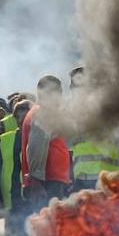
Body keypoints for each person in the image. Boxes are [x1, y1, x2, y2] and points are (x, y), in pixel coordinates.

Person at [20, 75, 71, 210]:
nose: (60, 96)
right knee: (48, 225)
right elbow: (35, 147)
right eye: (58, 91)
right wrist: (36, 181)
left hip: (49, 182)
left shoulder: (43, 112)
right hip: (46, 183)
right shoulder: (42, 113)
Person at [0, 99, 31, 236]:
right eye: (19, 117)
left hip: (34, 203)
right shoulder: (6, 140)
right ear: (15, 119)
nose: (23, 120)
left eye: (27, 116)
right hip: (12, 203)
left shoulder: (40, 138)